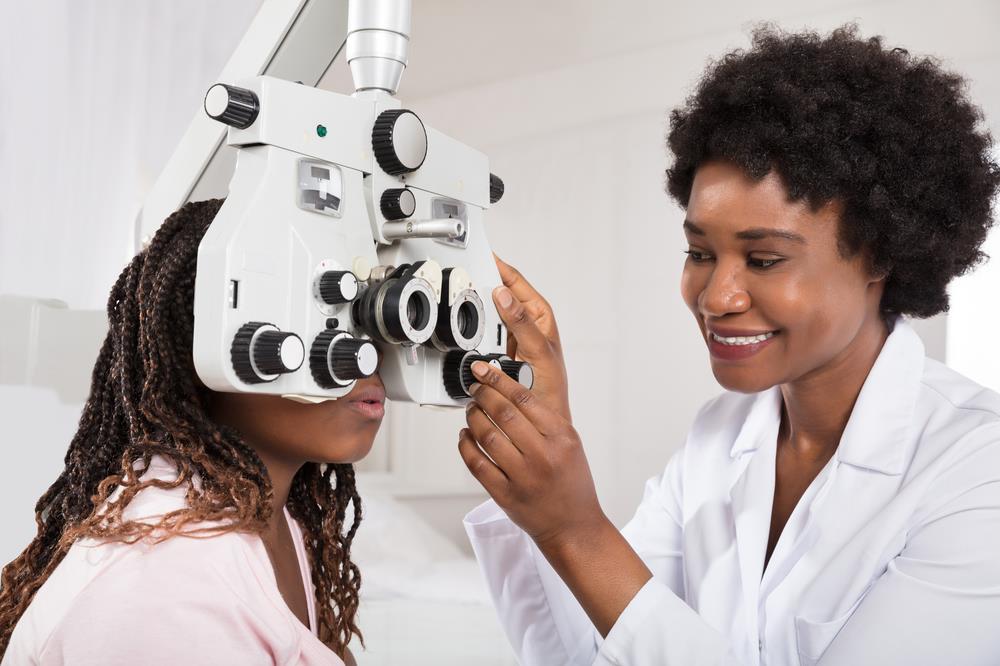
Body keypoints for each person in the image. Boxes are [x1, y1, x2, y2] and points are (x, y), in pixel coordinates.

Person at [459, 25, 1000, 665]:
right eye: (699, 253)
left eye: (765, 259)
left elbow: (601, 569)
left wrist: (577, 529)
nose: (716, 297)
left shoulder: (975, 471)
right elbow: (590, 654)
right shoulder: (718, 439)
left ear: (879, 255)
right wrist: (542, 455)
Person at [0, 199, 382, 665]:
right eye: (325, 320)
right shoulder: (168, 577)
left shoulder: (274, 517)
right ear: (206, 349)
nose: (365, 355)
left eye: (364, 317)